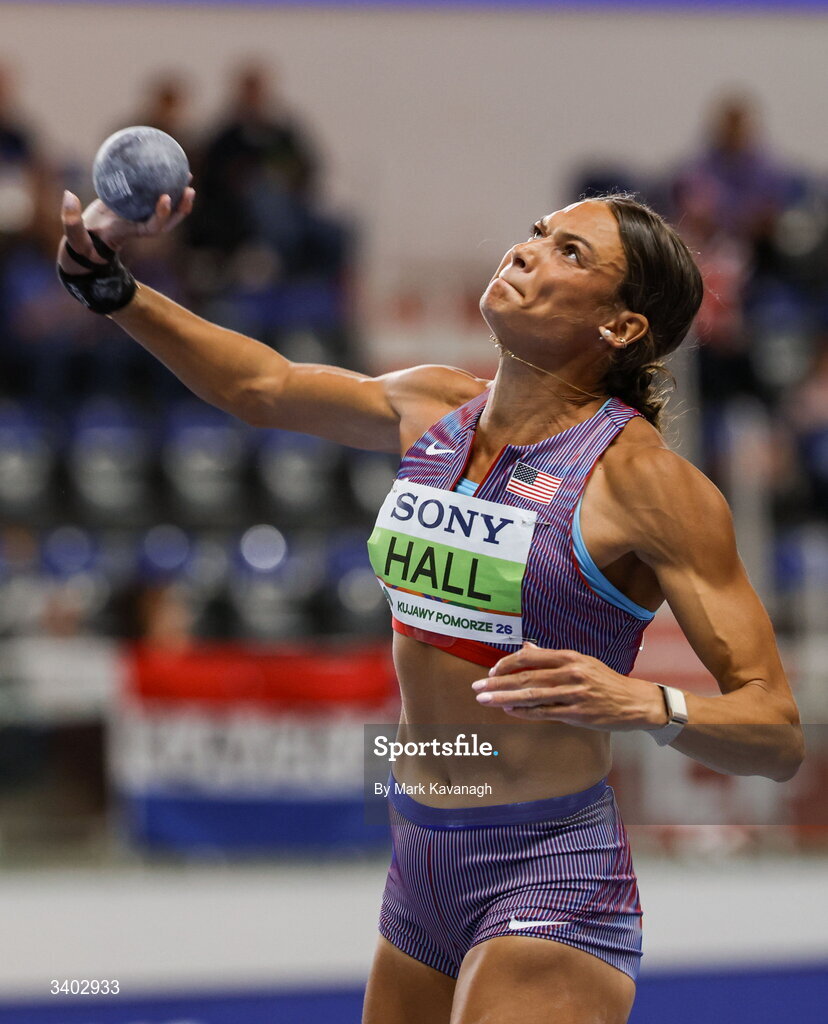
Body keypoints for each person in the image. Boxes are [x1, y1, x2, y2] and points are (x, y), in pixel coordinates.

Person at [56, 186, 803, 1024]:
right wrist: (114, 288)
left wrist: (646, 702)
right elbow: (260, 386)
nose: (525, 251)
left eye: (569, 253)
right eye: (535, 234)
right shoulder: (435, 406)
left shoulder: (648, 485)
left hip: (549, 869)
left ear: (621, 326)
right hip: (419, 864)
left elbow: (776, 735)